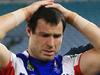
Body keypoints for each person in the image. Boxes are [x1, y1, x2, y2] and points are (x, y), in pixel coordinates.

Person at [0, 0, 100, 75]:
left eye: (57, 36)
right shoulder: (14, 64)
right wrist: (26, 12)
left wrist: (71, 16)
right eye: (45, 35)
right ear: (29, 31)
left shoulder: (69, 66)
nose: (51, 44)